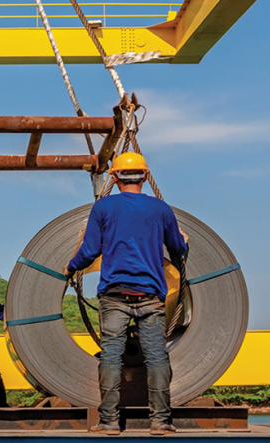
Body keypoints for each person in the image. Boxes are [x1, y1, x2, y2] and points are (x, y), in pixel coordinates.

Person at [62, 152, 188, 436]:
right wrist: (183, 241)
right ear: (145, 176)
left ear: (114, 176)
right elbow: (177, 251)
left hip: (114, 296)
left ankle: (108, 422)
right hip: (151, 297)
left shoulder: (103, 207)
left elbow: (91, 250)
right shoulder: (161, 209)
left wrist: (70, 267)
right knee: (156, 358)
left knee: (110, 357)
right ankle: (161, 422)